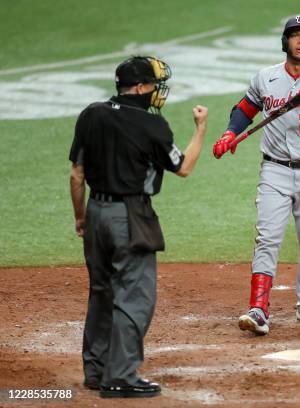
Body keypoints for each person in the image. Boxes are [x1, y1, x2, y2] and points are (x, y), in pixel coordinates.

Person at [69, 56, 208, 397]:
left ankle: (97, 370)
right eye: (154, 85)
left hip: (96, 212)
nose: (158, 92)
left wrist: (81, 217)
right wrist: (200, 128)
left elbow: (76, 175)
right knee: (134, 298)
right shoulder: (151, 125)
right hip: (130, 216)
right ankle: (122, 377)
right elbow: (184, 167)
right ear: (142, 87)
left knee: (101, 293)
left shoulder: (92, 113)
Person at [213, 15, 300, 335]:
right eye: (295, 35)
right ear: (285, 41)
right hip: (273, 169)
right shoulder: (266, 77)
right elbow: (245, 109)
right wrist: (230, 134)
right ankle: (259, 308)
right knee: (268, 237)